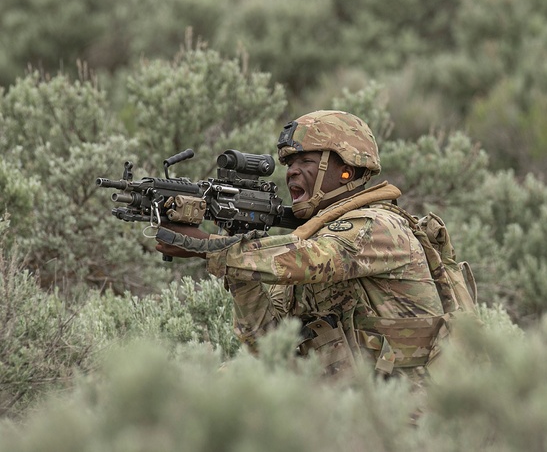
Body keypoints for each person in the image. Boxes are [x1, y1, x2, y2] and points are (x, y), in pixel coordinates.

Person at [154, 110, 460, 380]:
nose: (292, 172)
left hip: (405, 408)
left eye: (306, 161)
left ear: (347, 170)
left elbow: (313, 259)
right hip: (340, 394)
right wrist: (239, 272)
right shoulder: (311, 237)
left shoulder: (378, 226)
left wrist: (212, 247)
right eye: (289, 164)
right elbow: (267, 344)